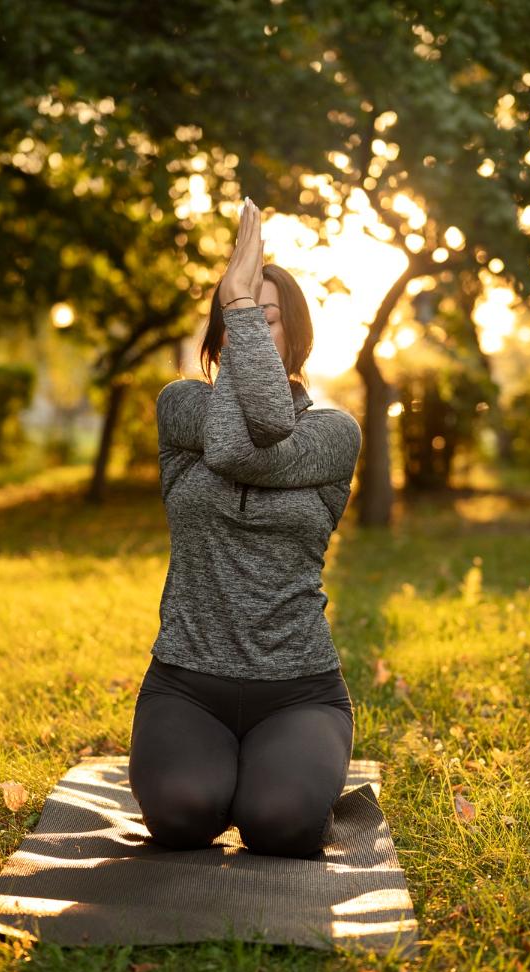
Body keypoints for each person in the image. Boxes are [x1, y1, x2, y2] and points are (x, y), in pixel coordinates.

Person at [130, 199, 362, 857]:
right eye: (236, 316)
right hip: (185, 682)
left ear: (296, 336)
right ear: (218, 334)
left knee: (280, 824)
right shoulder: (182, 408)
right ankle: (217, 773)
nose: (249, 328)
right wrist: (241, 310)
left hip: (298, 691)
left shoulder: (333, 433)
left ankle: (279, 778)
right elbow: (232, 436)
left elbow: (243, 446)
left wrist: (237, 300)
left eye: (266, 318)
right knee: (180, 814)